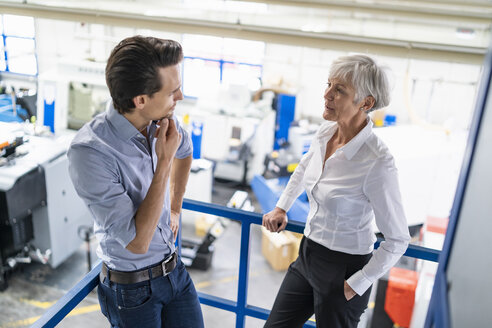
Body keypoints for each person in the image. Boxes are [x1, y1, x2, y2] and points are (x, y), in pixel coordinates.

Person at [262, 54, 410, 328]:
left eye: (339, 90)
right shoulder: (325, 132)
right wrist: (282, 206)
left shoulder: (377, 162)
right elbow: (305, 168)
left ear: (366, 103)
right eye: (328, 84)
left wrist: (357, 284)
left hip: (344, 269)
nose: (326, 94)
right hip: (308, 254)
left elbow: (398, 240)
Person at [68, 36, 204, 328]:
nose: (179, 98)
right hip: (132, 291)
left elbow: (185, 150)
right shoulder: (90, 152)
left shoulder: (163, 120)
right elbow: (137, 242)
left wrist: (176, 207)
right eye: (172, 92)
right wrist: (163, 162)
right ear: (140, 100)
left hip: (174, 271)